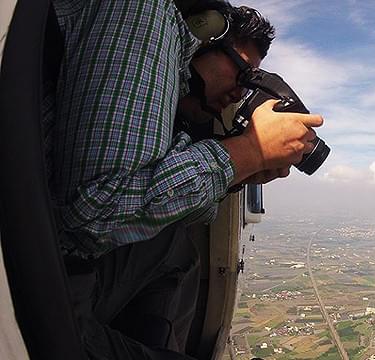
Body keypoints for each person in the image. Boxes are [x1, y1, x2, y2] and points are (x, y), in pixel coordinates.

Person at [44, 0, 322, 358]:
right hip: (39, 280)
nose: (239, 93)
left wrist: (239, 173)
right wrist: (247, 151)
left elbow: (170, 211)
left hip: (53, 251)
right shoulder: (144, 11)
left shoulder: (166, 99)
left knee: (174, 251)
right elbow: (95, 213)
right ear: (204, 30)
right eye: (243, 73)